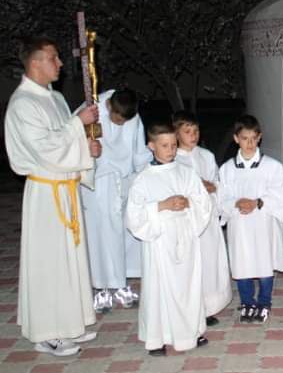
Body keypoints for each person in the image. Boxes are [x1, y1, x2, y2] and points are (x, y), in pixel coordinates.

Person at [4, 36, 102, 356]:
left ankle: (69, 323)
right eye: (53, 58)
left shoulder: (55, 98)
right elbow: (46, 149)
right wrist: (78, 124)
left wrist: (88, 150)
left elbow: (67, 144)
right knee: (48, 263)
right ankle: (47, 332)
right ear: (35, 63)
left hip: (65, 189)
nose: (59, 63)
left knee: (68, 261)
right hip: (46, 193)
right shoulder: (23, 104)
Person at [126, 122, 211, 356]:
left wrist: (189, 204)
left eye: (174, 145)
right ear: (151, 146)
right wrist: (162, 205)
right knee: (159, 288)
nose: (171, 150)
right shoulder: (143, 178)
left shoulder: (186, 172)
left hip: (185, 234)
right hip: (160, 239)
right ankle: (158, 337)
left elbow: (202, 200)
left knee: (188, 285)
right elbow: (133, 215)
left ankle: (191, 331)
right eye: (165, 145)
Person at [79, 89, 151, 313]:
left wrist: (147, 175)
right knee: (98, 233)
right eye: (117, 119)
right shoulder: (92, 108)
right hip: (97, 181)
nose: (120, 124)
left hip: (123, 180)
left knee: (122, 233)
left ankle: (120, 283)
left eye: (124, 121)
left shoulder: (133, 117)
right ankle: (101, 287)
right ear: (109, 105)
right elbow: (69, 133)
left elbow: (138, 151)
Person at [219, 114, 283, 324]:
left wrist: (258, 202)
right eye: (244, 138)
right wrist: (235, 203)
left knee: (264, 261)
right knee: (242, 263)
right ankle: (247, 302)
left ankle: (264, 301)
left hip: (263, 224)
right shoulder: (227, 169)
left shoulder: (273, 167)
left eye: (253, 138)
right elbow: (220, 198)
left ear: (259, 138)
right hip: (239, 225)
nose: (249, 143)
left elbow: (281, 196)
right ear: (236, 139)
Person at [173, 111, 232, 327]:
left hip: (207, 220)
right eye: (187, 131)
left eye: (196, 131)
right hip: (188, 222)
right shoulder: (175, 159)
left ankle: (208, 307)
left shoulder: (206, 156)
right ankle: (190, 307)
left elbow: (218, 183)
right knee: (191, 264)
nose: (193, 135)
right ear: (177, 134)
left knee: (209, 263)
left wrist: (213, 187)